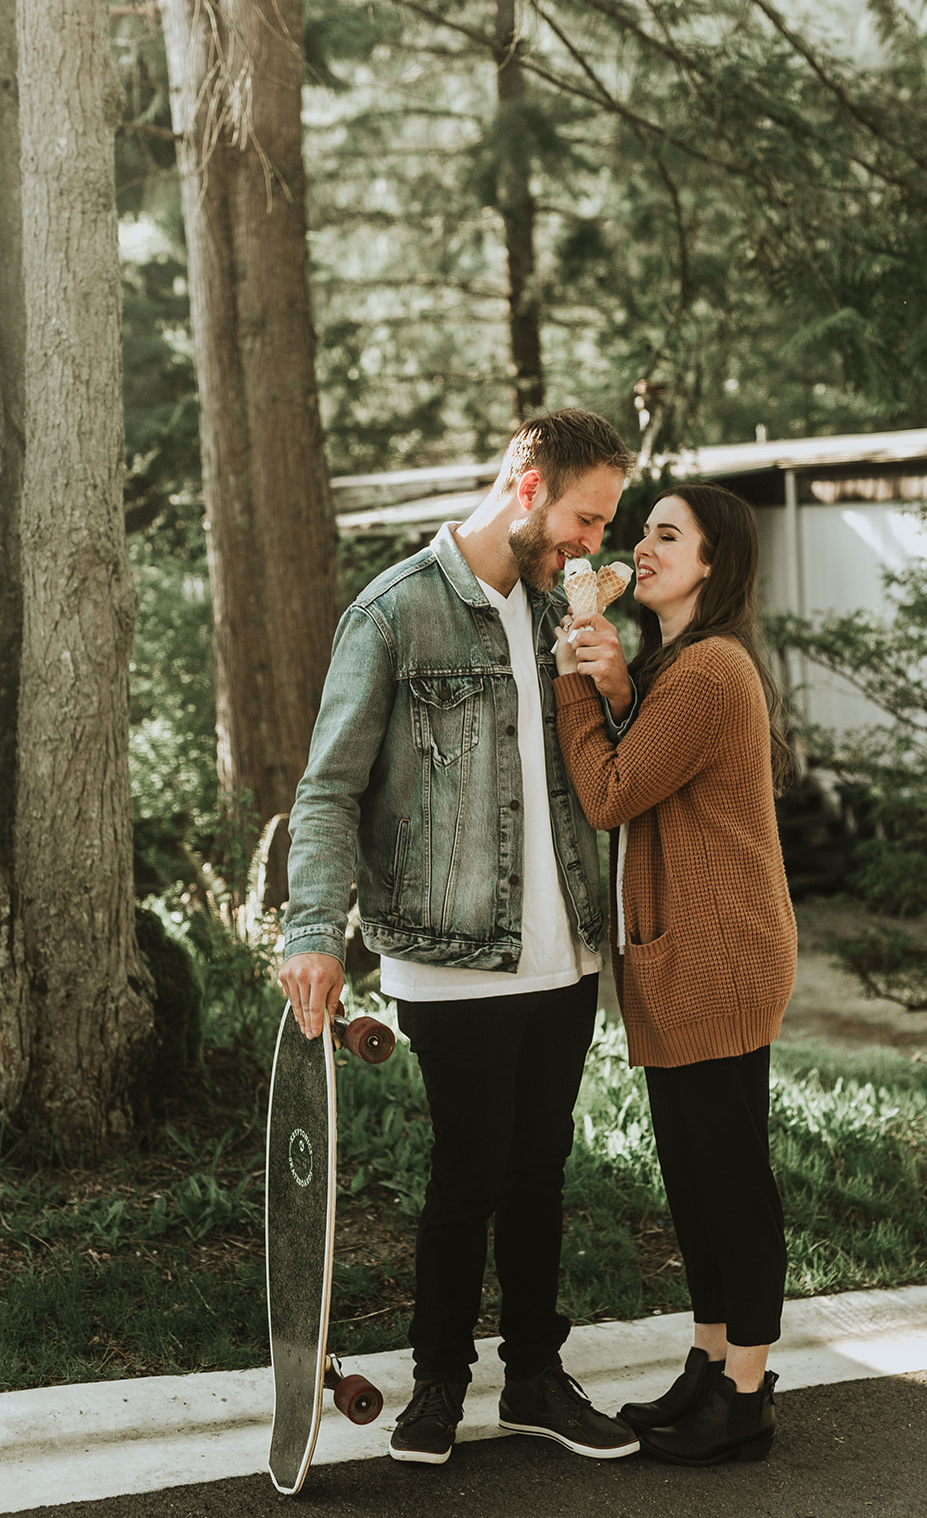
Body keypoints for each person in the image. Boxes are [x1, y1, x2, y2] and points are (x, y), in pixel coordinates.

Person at [279, 409, 641, 1467]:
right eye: (585, 518)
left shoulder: (556, 614)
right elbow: (328, 790)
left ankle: (533, 1373)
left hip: (561, 950)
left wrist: (612, 682)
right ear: (526, 485)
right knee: (466, 1171)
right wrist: (314, 931)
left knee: (539, 1168)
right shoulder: (390, 614)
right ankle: (437, 1378)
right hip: (448, 956)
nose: (594, 544)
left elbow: (606, 766)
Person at [552, 480, 796, 1467]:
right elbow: (645, 753)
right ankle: (706, 1362)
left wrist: (577, 658)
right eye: (640, 532)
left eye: (664, 535)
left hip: (715, 957)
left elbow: (611, 790)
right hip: (687, 954)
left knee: (730, 1180)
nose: (638, 548)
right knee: (695, 1177)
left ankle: (745, 1394)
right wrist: (613, 684)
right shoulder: (684, 666)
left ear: (712, 561)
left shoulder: (707, 672)